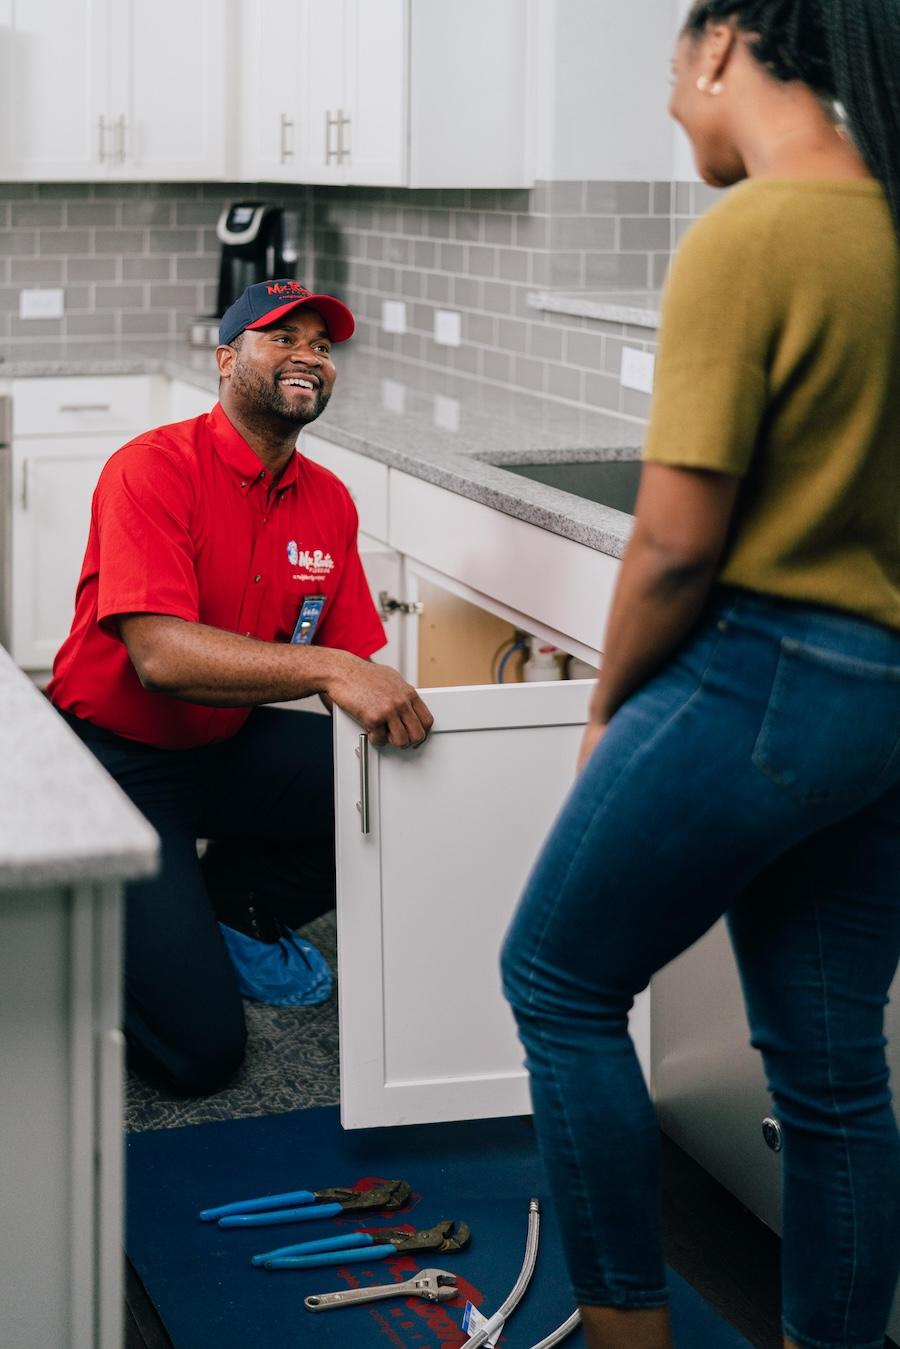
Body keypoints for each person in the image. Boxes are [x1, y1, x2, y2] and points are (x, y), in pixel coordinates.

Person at [501, 4, 900, 1348]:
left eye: (672, 71)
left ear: (723, 43)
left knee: (557, 979)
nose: (674, 104)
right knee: (836, 1073)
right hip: (881, 702)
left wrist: (610, 710)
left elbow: (674, 545)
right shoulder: (886, 226)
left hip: (764, 671)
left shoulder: (756, 230)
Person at [48, 279, 433, 1095]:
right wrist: (335, 669)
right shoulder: (150, 470)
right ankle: (76, 925)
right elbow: (162, 656)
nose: (309, 357)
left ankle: (229, 902)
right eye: (282, 337)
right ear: (227, 361)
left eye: (322, 347)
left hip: (224, 747)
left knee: (388, 781)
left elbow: (353, 654)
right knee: (200, 1055)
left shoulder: (327, 501)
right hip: (116, 764)